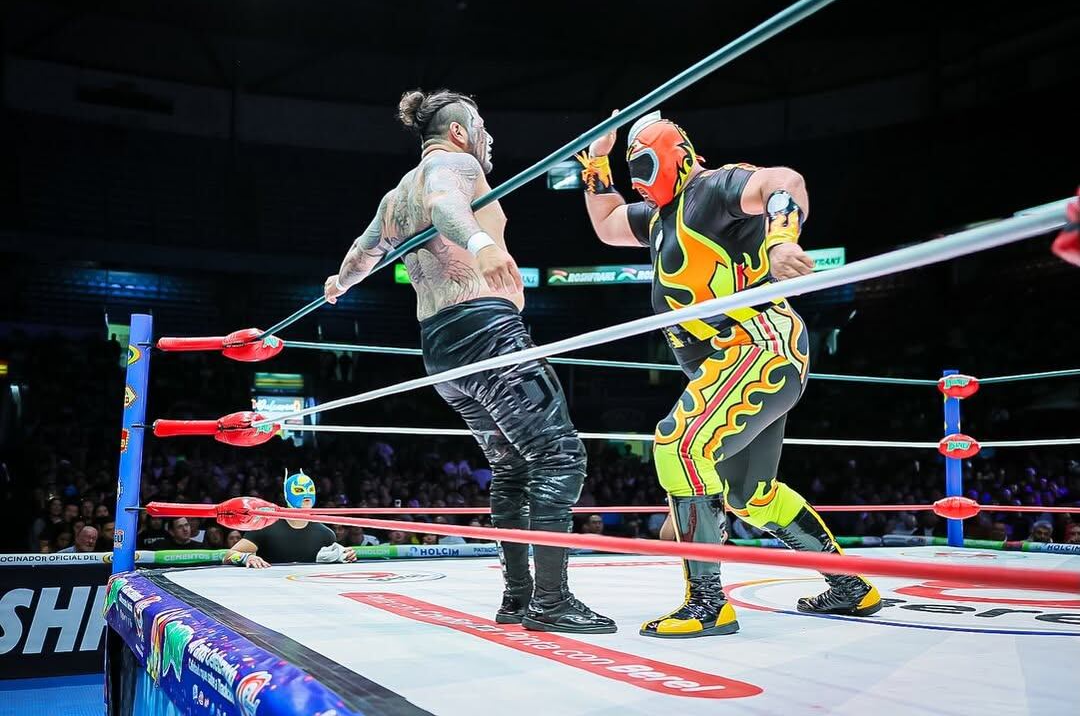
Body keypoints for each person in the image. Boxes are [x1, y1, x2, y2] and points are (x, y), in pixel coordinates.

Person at [578, 111, 880, 638]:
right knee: (752, 495)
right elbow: (606, 225)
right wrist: (599, 160)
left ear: (677, 153)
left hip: (758, 347)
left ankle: (707, 605)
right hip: (733, 362)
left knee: (677, 445)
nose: (641, 181)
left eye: (645, 163)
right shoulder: (658, 216)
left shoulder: (713, 190)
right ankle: (852, 587)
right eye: (633, 171)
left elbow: (784, 181)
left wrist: (783, 238)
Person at [322, 89, 613, 634]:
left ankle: (517, 600)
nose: (489, 136)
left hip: (440, 345)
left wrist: (340, 284)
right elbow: (443, 205)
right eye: (482, 125)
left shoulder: (392, 198)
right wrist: (481, 243)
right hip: (485, 332)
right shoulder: (452, 165)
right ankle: (551, 602)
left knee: (512, 466)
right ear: (459, 132)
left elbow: (362, 256)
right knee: (560, 458)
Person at [224, 472, 357, 568]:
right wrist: (246, 557)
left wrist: (344, 556)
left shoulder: (326, 534)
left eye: (310, 489)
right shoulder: (266, 527)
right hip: (270, 593)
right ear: (288, 495)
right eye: (299, 490)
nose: (306, 494)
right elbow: (228, 556)